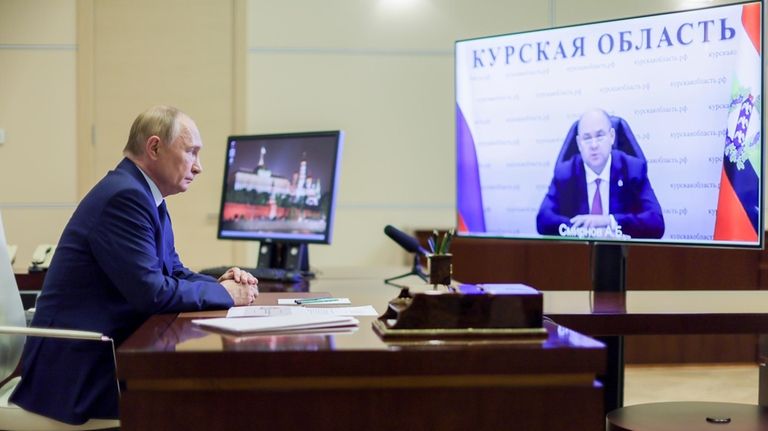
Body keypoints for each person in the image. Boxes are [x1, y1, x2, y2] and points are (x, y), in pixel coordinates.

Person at [10, 105, 258, 424]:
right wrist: (226, 295)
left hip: (102, 352)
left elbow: (173, 271)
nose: (199, 167)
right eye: (191, 152)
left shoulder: (145, 195)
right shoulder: (124, 198)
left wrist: (220, 283)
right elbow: (151, 293)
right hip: (77, 371)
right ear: (154, 147)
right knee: (199, 405)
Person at [536, 108, 664, 239]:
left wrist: (609, 222)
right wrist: (583, 229)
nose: (594, 145)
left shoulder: (632, 170)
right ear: (579, 144)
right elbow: (543, 220)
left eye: (599, 136)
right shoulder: (566, 173)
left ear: (612, 137)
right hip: (580, 254)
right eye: (587, 138)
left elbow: (656, 223)